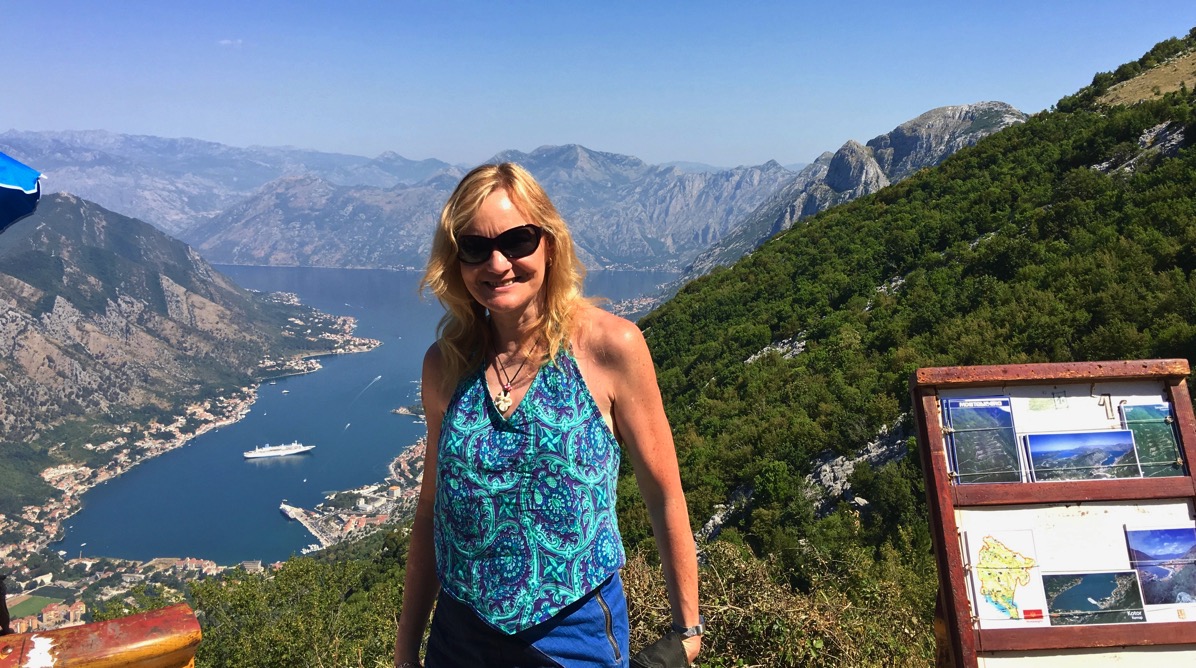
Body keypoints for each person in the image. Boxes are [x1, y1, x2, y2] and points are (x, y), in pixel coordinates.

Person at [394, 163, 702, 667]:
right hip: (459, 635)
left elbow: (663, 491)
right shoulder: (445, 365)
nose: (497, 263)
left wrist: (688, 629)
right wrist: (407, 650)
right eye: (474, 247)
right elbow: (431, 510)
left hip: (572, 637)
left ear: (550, 245)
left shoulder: (609, 348)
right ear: (456, 261)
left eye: (517, 241)